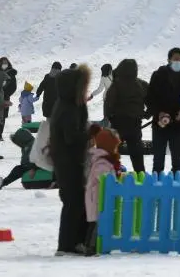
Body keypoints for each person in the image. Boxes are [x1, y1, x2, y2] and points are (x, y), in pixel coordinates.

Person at [50, 64, 91, 256]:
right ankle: (67, 244)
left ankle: (75, 242)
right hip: (68, 162)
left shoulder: (66, 104)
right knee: (73, 202)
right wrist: (91, 134)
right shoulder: (69, 108)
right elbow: (71, 137)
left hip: (66, 161)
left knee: (75, 201)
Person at [146, 48, 180, 174]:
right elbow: (149, 98)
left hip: (178, 126)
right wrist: (159, 112)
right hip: (160, 124)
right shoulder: (158, 75)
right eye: (176, 59)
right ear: (169, 59)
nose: (178, 62)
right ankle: (156, 191)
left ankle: (178, 189)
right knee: (158, 160)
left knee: (178, 161)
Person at [103, 59, 148, 173]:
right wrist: (147, 114)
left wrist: (109, 116)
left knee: (113, 152)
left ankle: (112, 177)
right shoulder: (142, 84)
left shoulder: (116, 84)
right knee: (136, 154)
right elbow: (152, 101)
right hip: (135, 124)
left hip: (118, 123)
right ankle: (140, 178)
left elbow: (108, 103)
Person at [85, 128, 121, 255]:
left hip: (101, 197)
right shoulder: (101, 161)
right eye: (115, 146)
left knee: (98, 222)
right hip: (96, 198)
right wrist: (115, 181)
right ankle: (90, 246)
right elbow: (103, 177)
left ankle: (93, 245)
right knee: (95, 224)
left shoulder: (106, 160)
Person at [31, 62, 62, 168]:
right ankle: (55, 141)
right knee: (56, 124)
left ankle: (49, 140)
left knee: (49, 123)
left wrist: (38, 95)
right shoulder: (60, 78)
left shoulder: (47, 77)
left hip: (48, 106)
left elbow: (41, 86)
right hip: (57, 106)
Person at [0, 57, 17, 124]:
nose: (4, 64)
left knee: (1, 121)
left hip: (4, 100)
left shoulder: (11, 74)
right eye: (2, 63)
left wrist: (3, 94)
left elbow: (13, 87)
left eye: (5, 63)